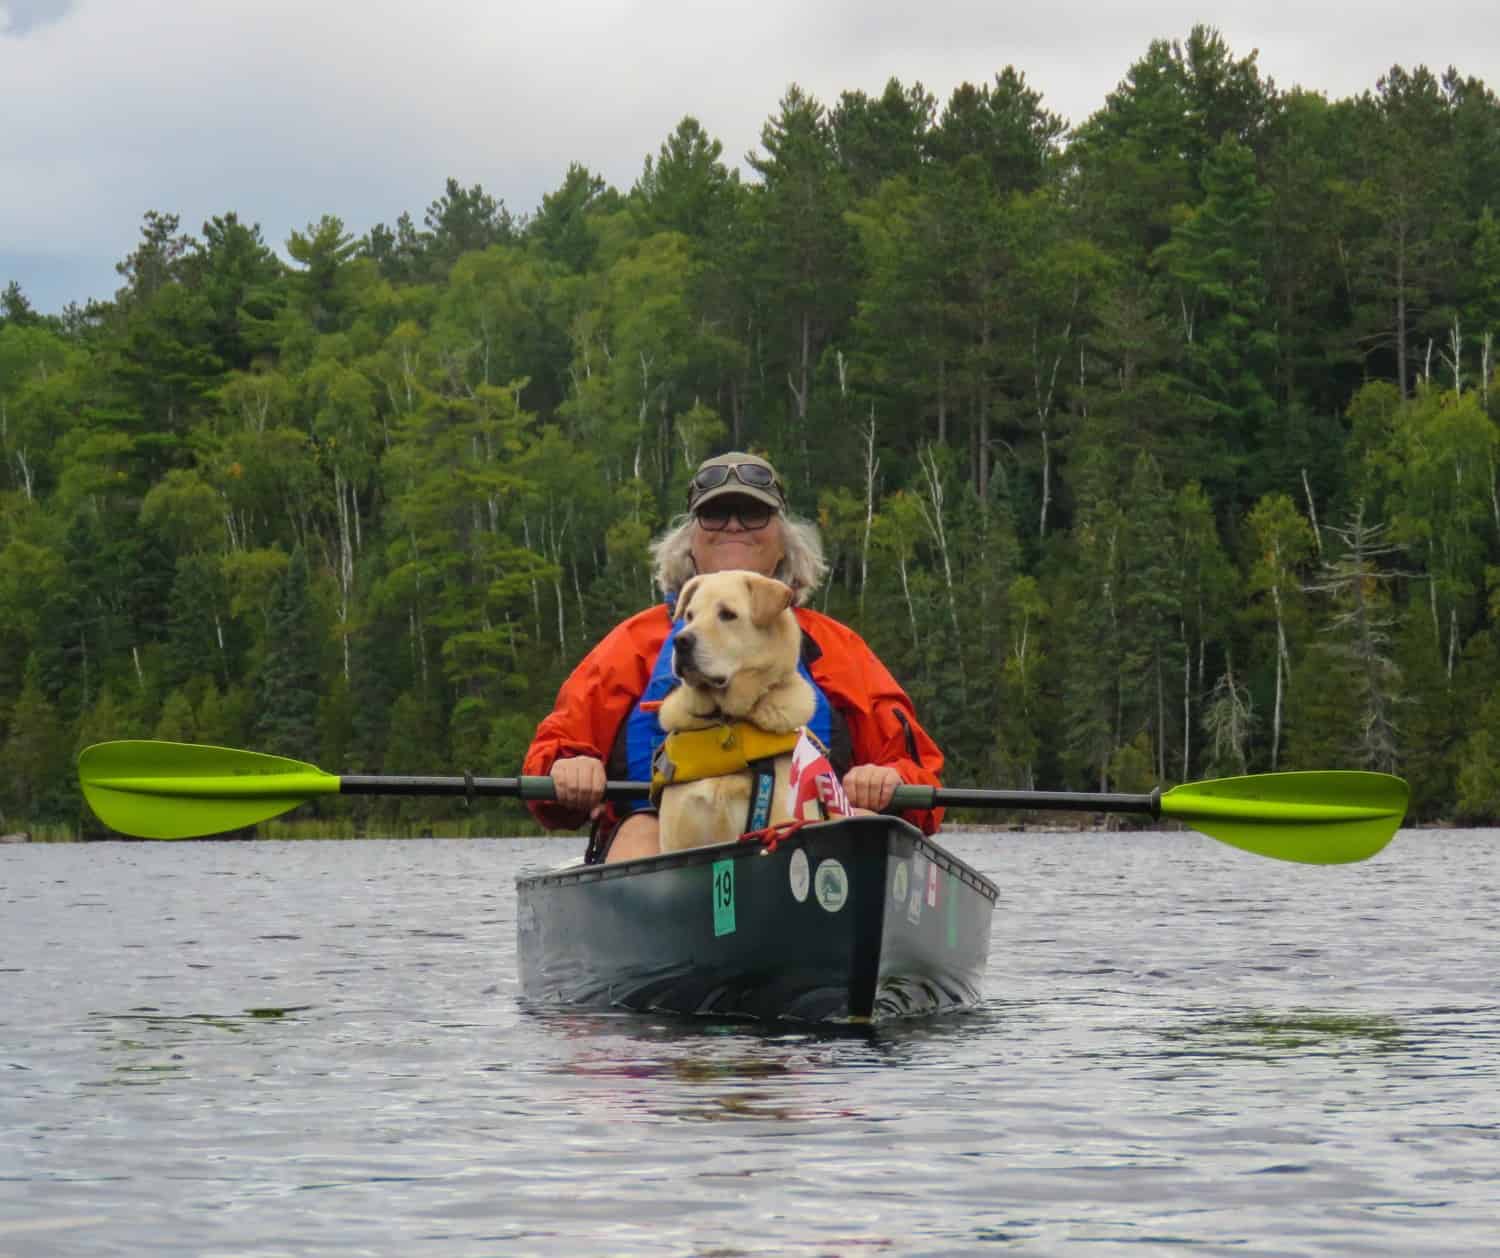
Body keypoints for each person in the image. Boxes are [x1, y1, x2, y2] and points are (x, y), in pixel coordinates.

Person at [523, 451, 944, 862]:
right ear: (690, 543)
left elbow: (921, 783)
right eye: (715, 514)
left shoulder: (837, 649)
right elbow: (553, 763)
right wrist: (569, 766)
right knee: (638, 833)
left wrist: (890, 779)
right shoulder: (635, 643)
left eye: (753, 513)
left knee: (863, 826)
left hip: (805, 833)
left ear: (784, 543)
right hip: (662, 828)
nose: (734, 526)